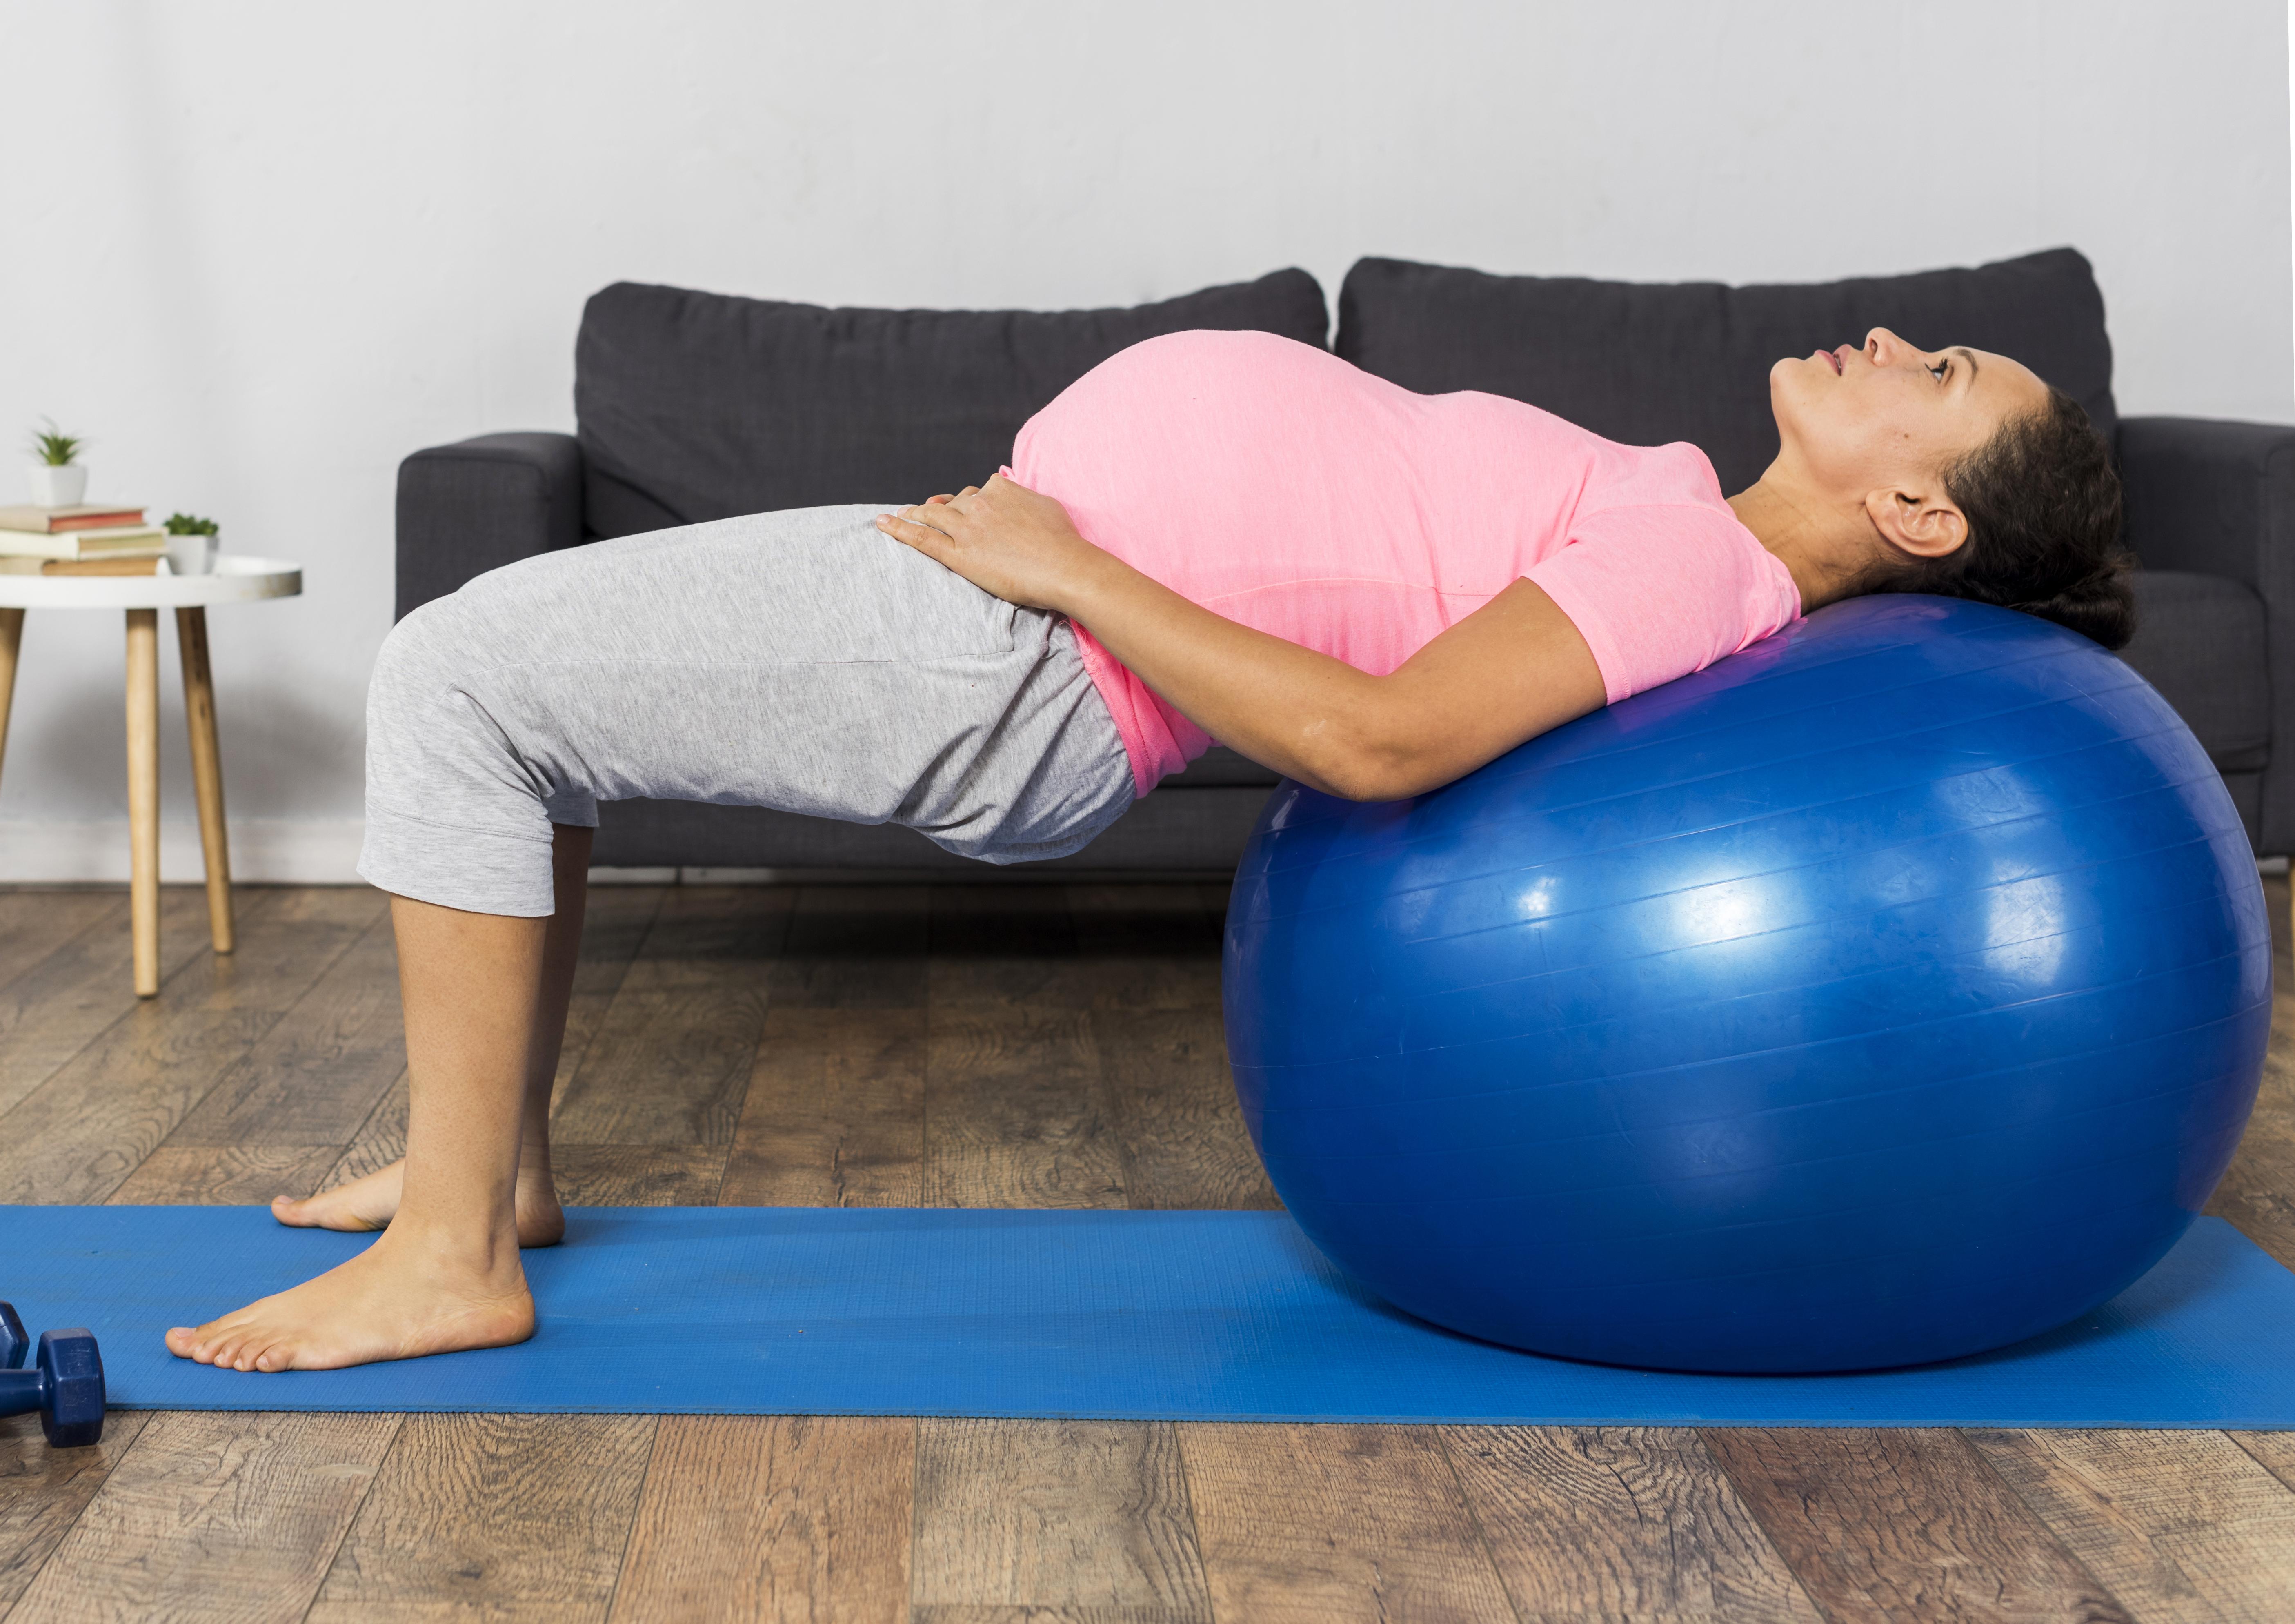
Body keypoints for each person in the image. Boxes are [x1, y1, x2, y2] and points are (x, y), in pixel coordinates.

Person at [163, 324, 2130, 1371]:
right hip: (1021, 594)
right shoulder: (1687, 519)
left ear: (1919, 512)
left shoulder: (1695, 567)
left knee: (448, 676)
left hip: (1021, 648)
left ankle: (447, 1258)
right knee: (535, 694)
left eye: (1941, 378)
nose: (1894, 342)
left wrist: (1073, 567)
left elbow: (1378, 740)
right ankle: (485, 1169)